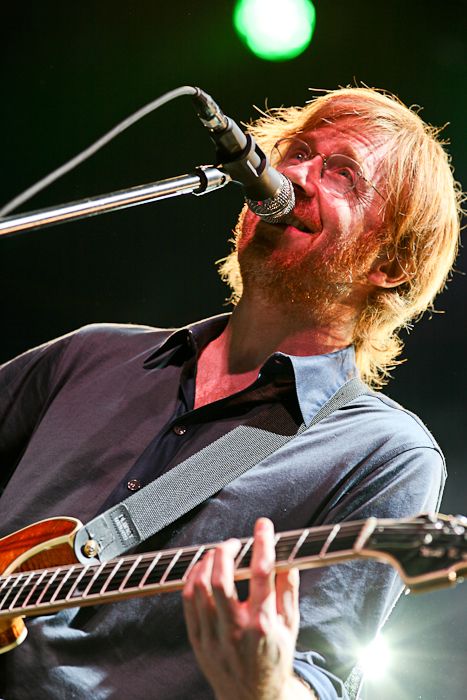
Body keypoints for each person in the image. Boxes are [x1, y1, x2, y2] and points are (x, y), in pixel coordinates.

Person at [0, 87, 461, 700]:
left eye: (342, 174)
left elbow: (316, 678)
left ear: (391, 264)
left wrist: (265, 682)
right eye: (297, 152)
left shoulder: (384, 453)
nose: (292, 176)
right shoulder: (91, 354)